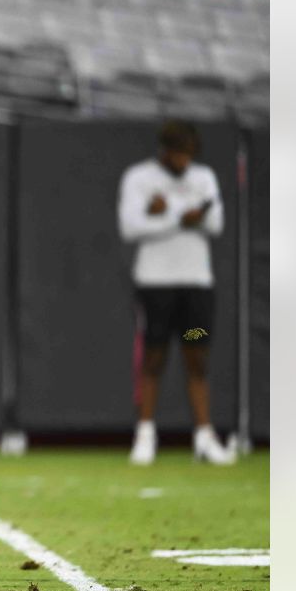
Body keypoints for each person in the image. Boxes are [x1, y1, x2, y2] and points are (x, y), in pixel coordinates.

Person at [118, 120, 236, 466]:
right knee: (154, 357)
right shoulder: (138, 178)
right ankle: (145, 435)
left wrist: (165, 213)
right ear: (165, 151)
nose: (184, 163)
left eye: (189, 156)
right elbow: (131, 227)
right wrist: (180, 217)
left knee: (196, 355)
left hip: (195, 286)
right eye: (178, 155)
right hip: (155, 285)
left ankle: (204, 438)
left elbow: (215, 223)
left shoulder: (204, 178)